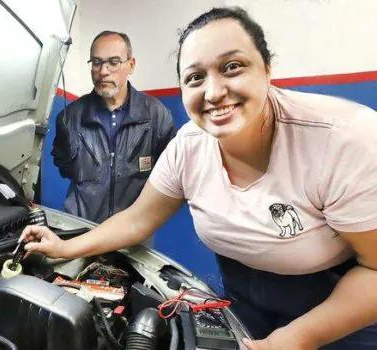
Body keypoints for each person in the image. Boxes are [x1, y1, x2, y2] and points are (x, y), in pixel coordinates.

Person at [23, 7, 377, 350]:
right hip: (242, 298)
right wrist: (66, 247)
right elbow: (137, 219)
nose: (213, 92)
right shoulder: (189, 146)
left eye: (233, 67)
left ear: (267, 69)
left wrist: (303, 337)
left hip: (342, 307)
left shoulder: (343, 140)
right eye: (195, 77)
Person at [51, 30, 176, 224]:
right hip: (81, 227)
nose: (103, 71)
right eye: (97, 62)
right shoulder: (69, 117)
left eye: (114, 62)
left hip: (133, 231)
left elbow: (168, 172)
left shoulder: (156, 115)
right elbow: (63, 164)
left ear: (131, 65)